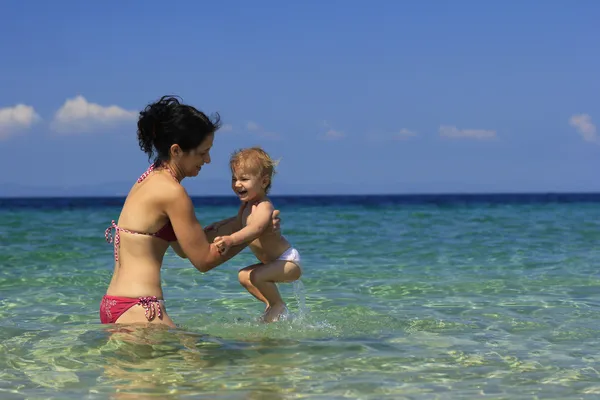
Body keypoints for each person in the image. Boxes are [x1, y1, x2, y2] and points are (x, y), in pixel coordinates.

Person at [99, 96, 281, 327]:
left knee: (198, 358)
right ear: (176, 150)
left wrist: (241, 224)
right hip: (142, 311)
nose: (208, 160)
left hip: (115, 305)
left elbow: (187, 248)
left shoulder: (148, 179)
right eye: (202, 152)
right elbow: (203, 260)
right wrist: (256, 231)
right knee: (213, 359)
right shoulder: (173, 193)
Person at [213, 147, 302, 322]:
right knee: (244, 276)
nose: (237, 184)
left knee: (256, 276)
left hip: (288, 261)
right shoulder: (246, 206)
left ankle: (278, 304)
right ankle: (272, 304)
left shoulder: (264, 206)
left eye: (244, 179)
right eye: (234, 179)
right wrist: (218, 226)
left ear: (263, 182)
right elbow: (237, 223)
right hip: (274, 262)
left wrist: (230, 240)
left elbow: (255, 229)